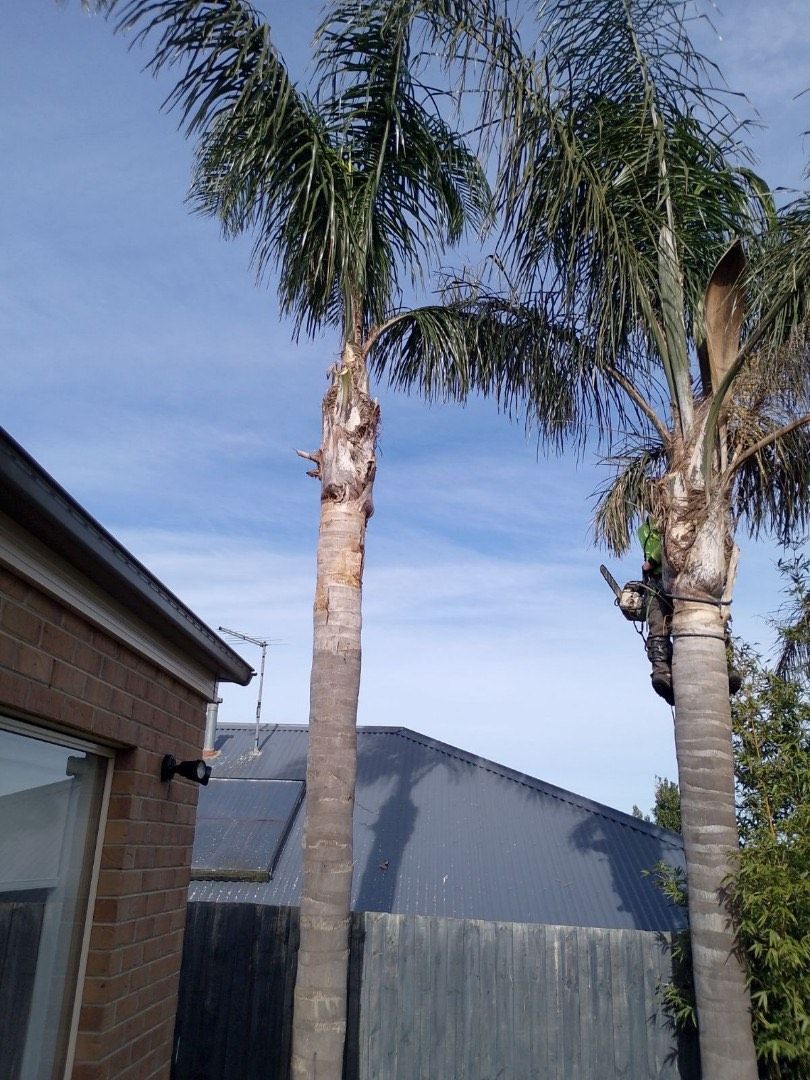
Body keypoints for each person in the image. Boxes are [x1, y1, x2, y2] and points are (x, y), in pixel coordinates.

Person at [637, 517, 741, 705]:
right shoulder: (643, 530)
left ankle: (726, 665)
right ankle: (662, 673)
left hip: (686, 578)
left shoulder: (679, 518)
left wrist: (651, 561)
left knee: (708, 621)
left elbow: (675, 541)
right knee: (657, 626)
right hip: (657, 583)